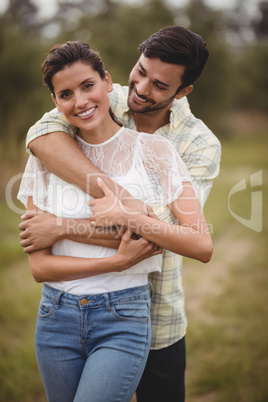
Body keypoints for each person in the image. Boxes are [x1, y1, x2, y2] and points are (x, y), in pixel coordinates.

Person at [19, 26, 221, 402]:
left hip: (154, 316)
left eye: (160, 86)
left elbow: (166, 234)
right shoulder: (98, 92)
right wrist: (120, 199)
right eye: (140, 71)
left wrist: (61, 228)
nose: (142, 89)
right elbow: (41, 132)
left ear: (183, 91)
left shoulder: (197, 144)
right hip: (61, 312)